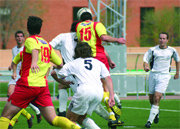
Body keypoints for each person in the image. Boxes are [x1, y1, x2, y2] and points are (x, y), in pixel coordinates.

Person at [0, 16, 83, 129]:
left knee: (5, 116)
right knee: (54, 119)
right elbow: (59, 64)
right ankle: (76, 127)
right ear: (40, 29)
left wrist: (34, 62)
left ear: (27, 29)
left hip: (27, 85)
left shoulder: (30, 40)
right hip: (42, 87)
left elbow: (35, 50)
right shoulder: (46, 45)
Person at [50, 21, 111, 121]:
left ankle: (110, 118)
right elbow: (101, 48)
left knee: (78, 112)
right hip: (89, 75)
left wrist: (56, 63)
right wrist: (109, 60)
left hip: (75, 73)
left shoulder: (63, 36)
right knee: (65, 87)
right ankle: (62, 111)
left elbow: (48, 47)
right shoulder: (85, 37)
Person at [76, 7, 125, 127]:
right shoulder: (97, 24)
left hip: (86, 58)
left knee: (96, 87)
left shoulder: (79, 27)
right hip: (99, 58)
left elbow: (85, 43)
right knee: (105, 87)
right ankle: (113, 112)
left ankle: (112, 115)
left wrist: (109, 59)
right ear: (91, 16)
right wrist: (117, 40)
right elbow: (103, 38)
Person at [53, 42, 115, 129]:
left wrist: (63, 82)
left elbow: (54, 73)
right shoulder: (98, 62)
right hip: (98, 93)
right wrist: (111, 96)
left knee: (69, 119)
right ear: (90, 51)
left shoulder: (73, 63)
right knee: (81, 118)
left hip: (84, 91)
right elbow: (108, 78)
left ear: (76, 52)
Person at [143, 32, 180, 128]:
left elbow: (177, 60)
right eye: (160, 38)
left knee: (157, 96)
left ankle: (149, 122)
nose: (162, 40)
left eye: (164, 38)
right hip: (153, 75)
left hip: (164, 76)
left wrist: (177, 73)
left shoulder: (172, 51)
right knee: (151, 98)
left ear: (167, 40)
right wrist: (146, 66)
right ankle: (156, 111)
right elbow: (145, 60)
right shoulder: (153, 50)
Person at [7, 31, 41, 129]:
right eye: (17, 36)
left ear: (24, 38)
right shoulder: (14, 49)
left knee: (17, 99)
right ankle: (29, 115)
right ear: (15, 38)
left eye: (21, 36)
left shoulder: (26, 48)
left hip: (23, 76)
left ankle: (12, 122)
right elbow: (15, 60)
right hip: (15, 75)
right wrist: (12, 68)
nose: (19, 38)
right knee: (10, 95)